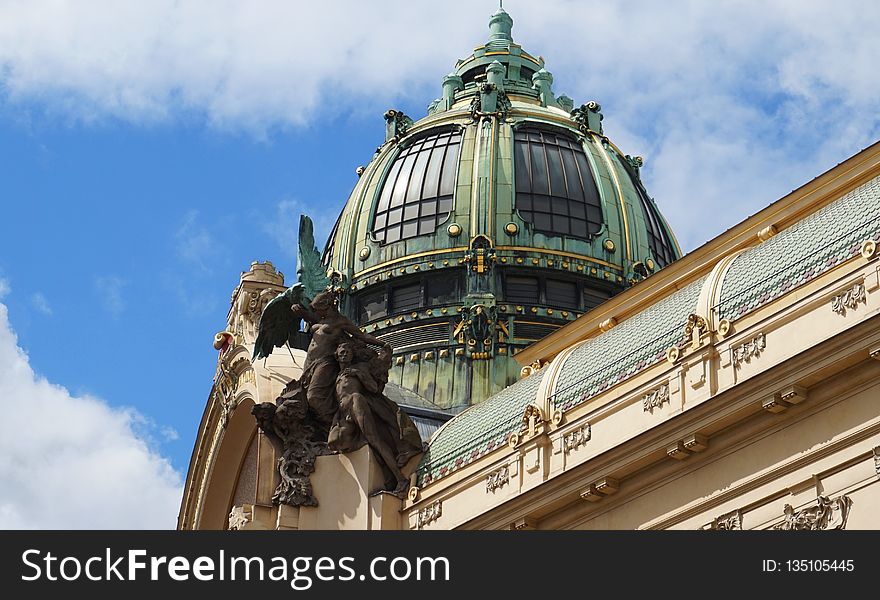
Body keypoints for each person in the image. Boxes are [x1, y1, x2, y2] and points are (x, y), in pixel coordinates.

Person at [329, 340, 423, 497]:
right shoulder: (337, 376)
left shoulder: (358, 369)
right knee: (338, 441)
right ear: (337, 357)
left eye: (347, 352)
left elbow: (373, 388)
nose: (345, 354)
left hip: (356, 402)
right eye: (341, 352)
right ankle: (389, 476)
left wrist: (358, 374)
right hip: (343, 412)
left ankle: (400, 479)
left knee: (375, 441)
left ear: (352, 355)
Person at [291, 290, 390, 427]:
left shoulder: (340, 321)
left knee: (314, 396)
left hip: (325, 362)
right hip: (310, 362)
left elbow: (362, 336)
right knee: (306, 396)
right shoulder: (321, 319)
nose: (316, 312)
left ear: (328, 306)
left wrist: (383, 344)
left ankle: (337, 423)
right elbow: (312, 319)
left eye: (318, 309)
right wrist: (301, 313)